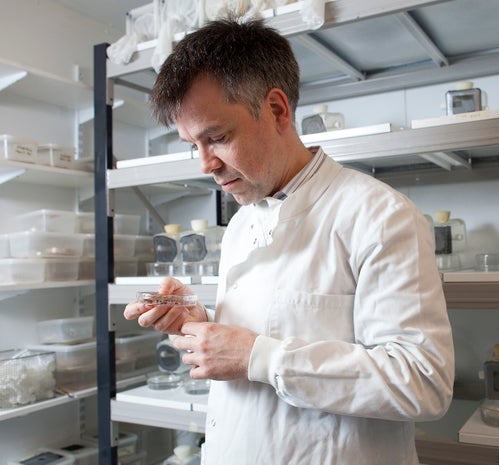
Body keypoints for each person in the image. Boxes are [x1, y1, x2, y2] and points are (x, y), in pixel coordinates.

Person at [123, 17, 454, 465]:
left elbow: (422, 382)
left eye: (216, 137)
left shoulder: (379, 216)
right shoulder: (242, 222)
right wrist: (196, 320)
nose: (205, 164)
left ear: (277, 110)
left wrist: (260, 358)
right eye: (191, 145)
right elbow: (259, 332)